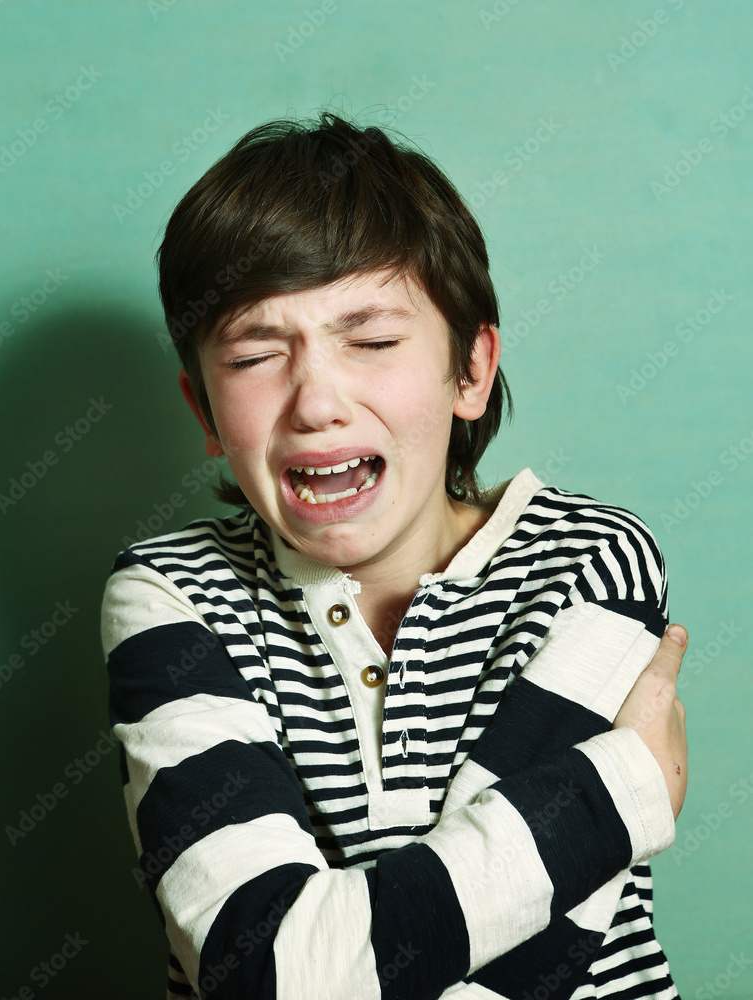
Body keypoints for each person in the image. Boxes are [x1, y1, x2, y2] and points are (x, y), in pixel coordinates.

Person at [101, 113, 687, 1000]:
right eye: (256, 355)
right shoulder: (170, 596)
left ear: (471, 370)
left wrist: (323, 948)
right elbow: (257, 969)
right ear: (205, 414)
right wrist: (618, 794)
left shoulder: (592, 562)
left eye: (371, 341)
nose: (316, 402)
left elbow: (518, 976)